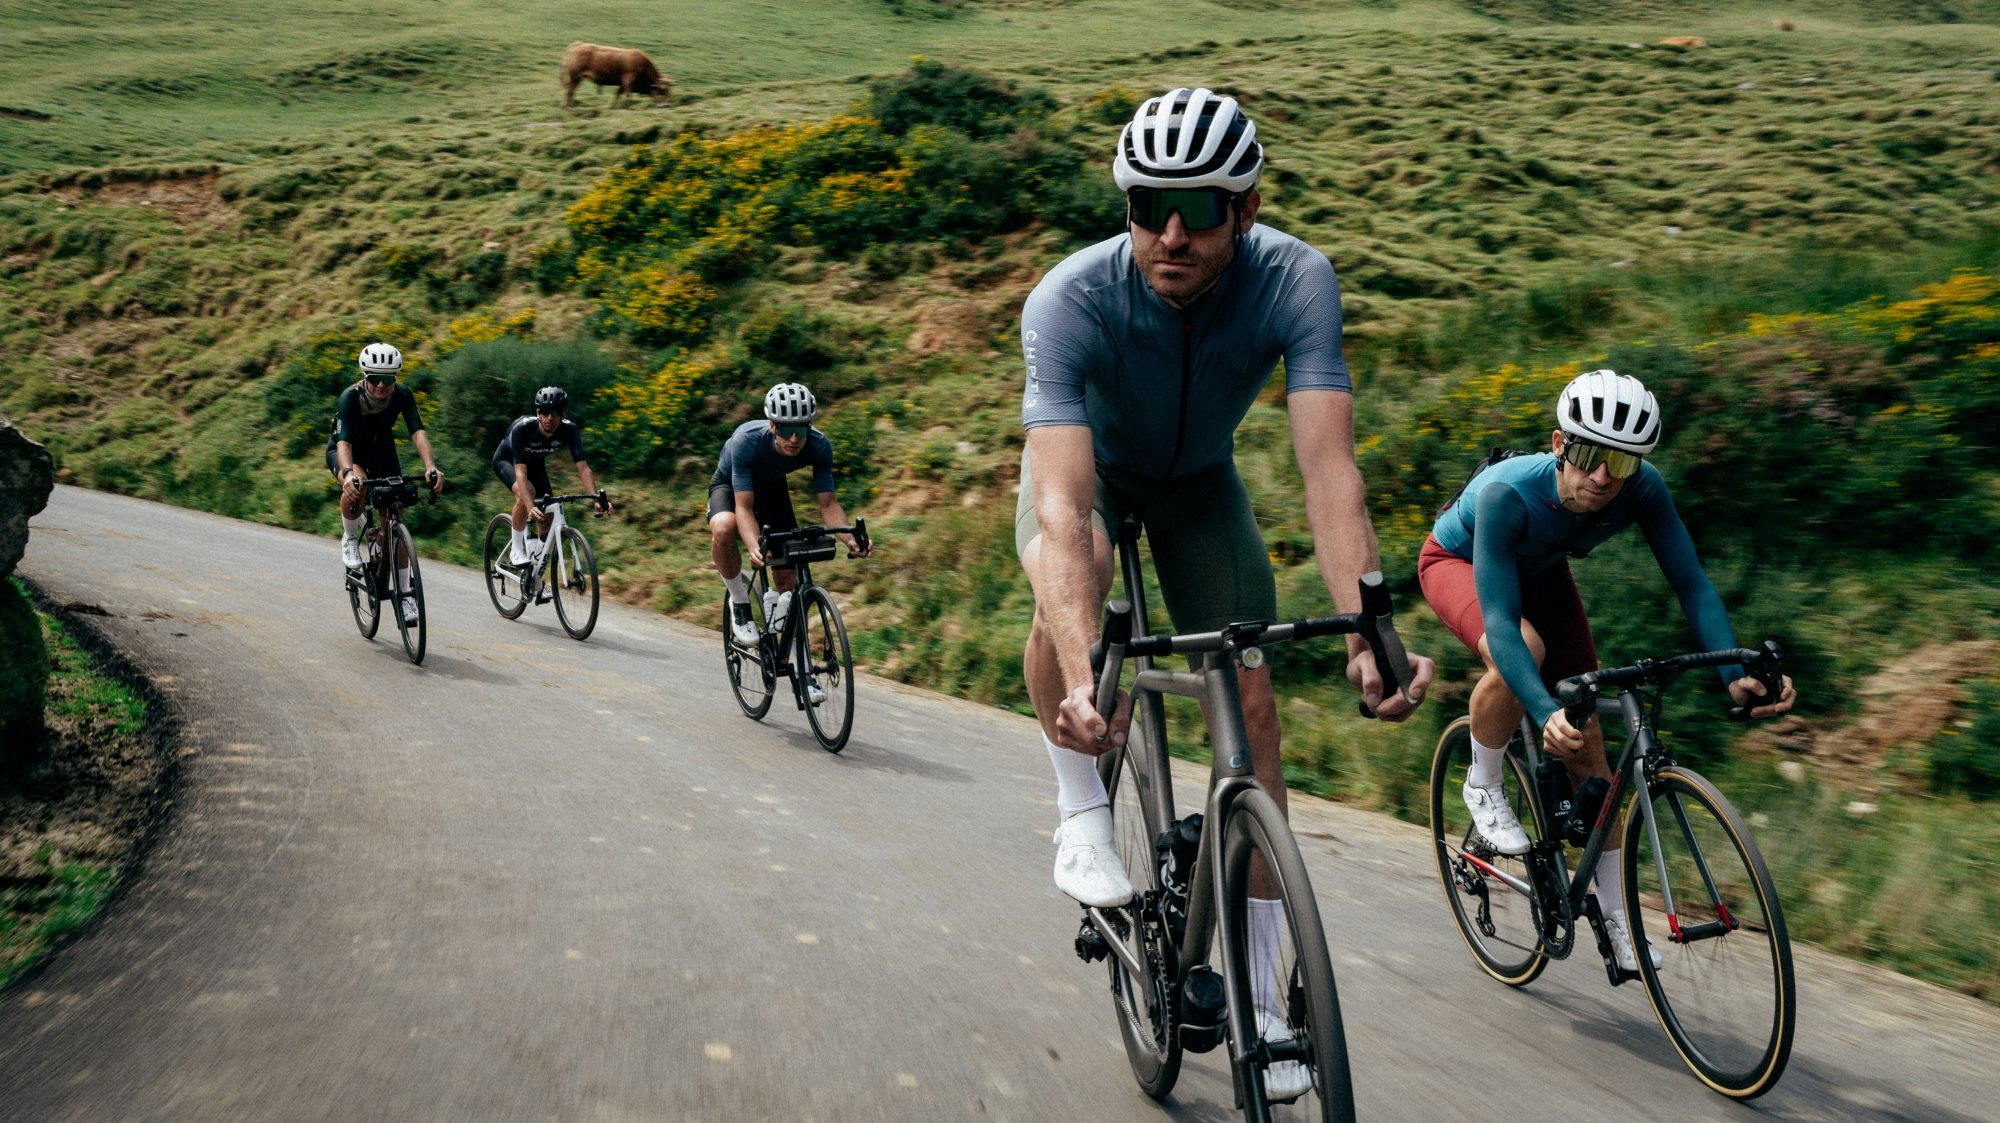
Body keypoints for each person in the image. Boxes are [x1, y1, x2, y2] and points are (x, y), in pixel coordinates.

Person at [1016, 87, 1434, 1101]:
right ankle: (1081, 808)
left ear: (1246, 209)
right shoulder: (1068, 298)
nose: (1170, 234)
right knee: (1075, 580)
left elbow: (1328, 469)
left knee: (1250, 703)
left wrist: (1369, 628)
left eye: (1198, 209)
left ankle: (1261, 994)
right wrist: (1083, 674)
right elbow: (1063, 510)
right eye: (1146, 205)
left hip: (1201, 485)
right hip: (1093, 480)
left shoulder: (1296, 279)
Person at [1418, 368, 1796, 972]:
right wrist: (1543, 710)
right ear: (1559, 444)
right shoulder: (1506, 494)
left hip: (1542, 571)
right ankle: (1482, 781)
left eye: (1620, 463)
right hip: (1457, 563)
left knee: (1589, 746)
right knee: (1525, 652)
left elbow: (1693, 585)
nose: (1602, 476)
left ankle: (1621, 924)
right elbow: (1502, 620)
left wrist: (1734, 674)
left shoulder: (1642, 489)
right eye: (1590, 455)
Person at [709, 383, 873, 701]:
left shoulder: (818, 445)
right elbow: (744, 508)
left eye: (801, 428)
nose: (795, 438)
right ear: (773, 426)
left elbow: (829, 504)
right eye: (786, 430)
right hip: (731, 487)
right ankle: (739, 602)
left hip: (772, 489)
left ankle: (804, 671)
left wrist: (850, 537)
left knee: (788, 580)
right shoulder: (746, 441)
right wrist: (755, 546)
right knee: (725, 528)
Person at [328, 343, 442, 625]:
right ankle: (350, 538)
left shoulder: (402, 394)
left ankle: (404, 595)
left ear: (396, 378)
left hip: (382, 451)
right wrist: (347, 474)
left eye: (388, 379)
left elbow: (417, 432)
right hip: (348, 452)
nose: (381, 385)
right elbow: (343, 443)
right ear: (364, 376)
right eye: (375, 378)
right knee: (358, 485)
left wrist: (431, 466)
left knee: (395, 517)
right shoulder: (350, 397)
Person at [491, 385, 608, 566]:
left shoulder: (570, 430)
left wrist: (595, 498)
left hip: (535, 464)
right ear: (537, 413)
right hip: (506, 461)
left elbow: (583, 468)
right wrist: (530, 505)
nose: (549, 418)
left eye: (555, 413)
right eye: (544, 413)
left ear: (562, 414)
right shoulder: (523, 428)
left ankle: (534, 570)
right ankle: (516, 549)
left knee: (548, 515)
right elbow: (520, 472)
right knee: (526, 494)